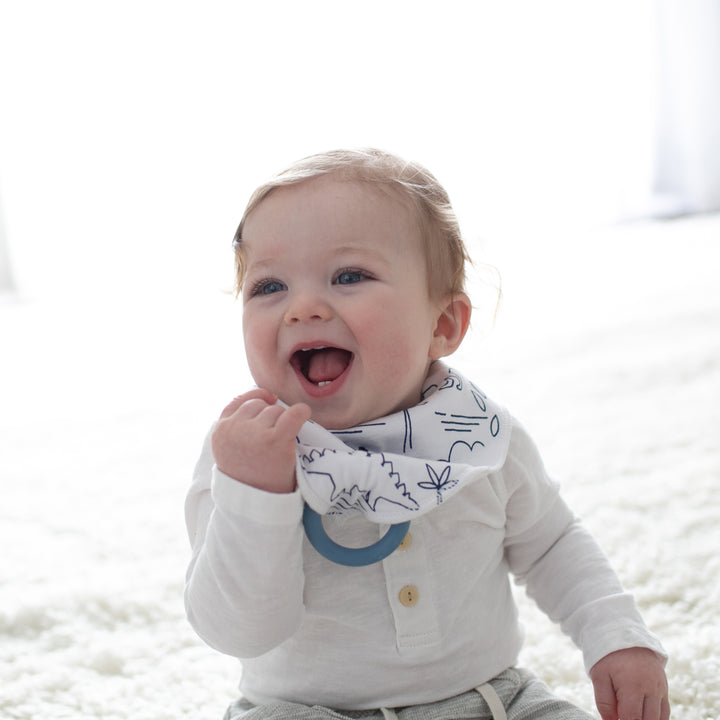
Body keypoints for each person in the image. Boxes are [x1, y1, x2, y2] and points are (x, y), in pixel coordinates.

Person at [184, 149, 670, 720]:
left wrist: (616, 633)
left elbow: (552, 542)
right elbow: (237, 631)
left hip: (493, 699)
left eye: (349, 276)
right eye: (269, 287)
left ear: (442, 325)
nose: (303, 308)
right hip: (303, 710)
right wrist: (256, 496)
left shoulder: (477, 437)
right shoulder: (244, 453)